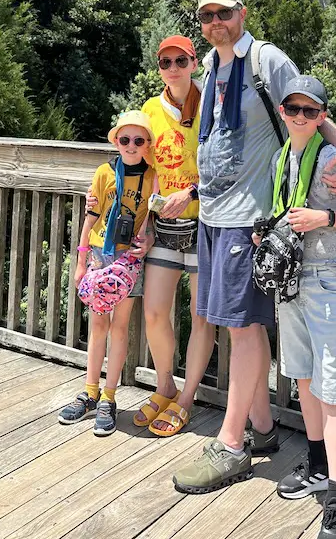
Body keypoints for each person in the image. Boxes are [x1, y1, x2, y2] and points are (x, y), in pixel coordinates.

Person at [172, 0, 336, 495]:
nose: (216, 22)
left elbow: (309, 109)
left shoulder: (266, 60)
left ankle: (232, 444)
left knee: (245, 328)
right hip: (212, 212)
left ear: (242, 13)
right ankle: (262, 428)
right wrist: (192, 190)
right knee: (231, 322)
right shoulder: (210, 67)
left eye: (225, 13)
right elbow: (220, 143)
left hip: (248, 220)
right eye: (207, 15)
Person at [268, 75, 336, 539]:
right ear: (284, 112)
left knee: (330, 387)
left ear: (322, 117)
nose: (301, 117)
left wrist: (322, 217)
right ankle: (314, 463)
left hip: (328, 278)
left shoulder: (330, 161)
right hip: (292, 276)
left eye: (311, 111)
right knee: (304, 376)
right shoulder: (281, 157)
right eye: (294, 109)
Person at [132, 34, 215, 437]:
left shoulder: (211, 104)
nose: (173, 69)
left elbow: (227, 165)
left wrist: (193, 192)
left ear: (194, 63)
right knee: (154, 311)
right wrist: (144, 225)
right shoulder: (150, 110)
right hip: (164, 226)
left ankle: (187, 398)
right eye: (166, 62)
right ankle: (165, 384)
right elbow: (147, 171)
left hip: (204, 225)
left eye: (180, 61)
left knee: (201, 317)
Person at [58, 111, 156, 437]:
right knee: (98, 324)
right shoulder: (104, 172)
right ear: (116, 141)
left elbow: (151, 220)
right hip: (100, 253)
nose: (131, 145)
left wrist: (148, 238)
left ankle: (109, 396)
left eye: (138, 140)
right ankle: (90, 390)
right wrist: (81, 261)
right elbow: (91, 217)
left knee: (121, 326)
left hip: (128, 259)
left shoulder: (152, 177)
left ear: (147, 145)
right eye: (124, 139)